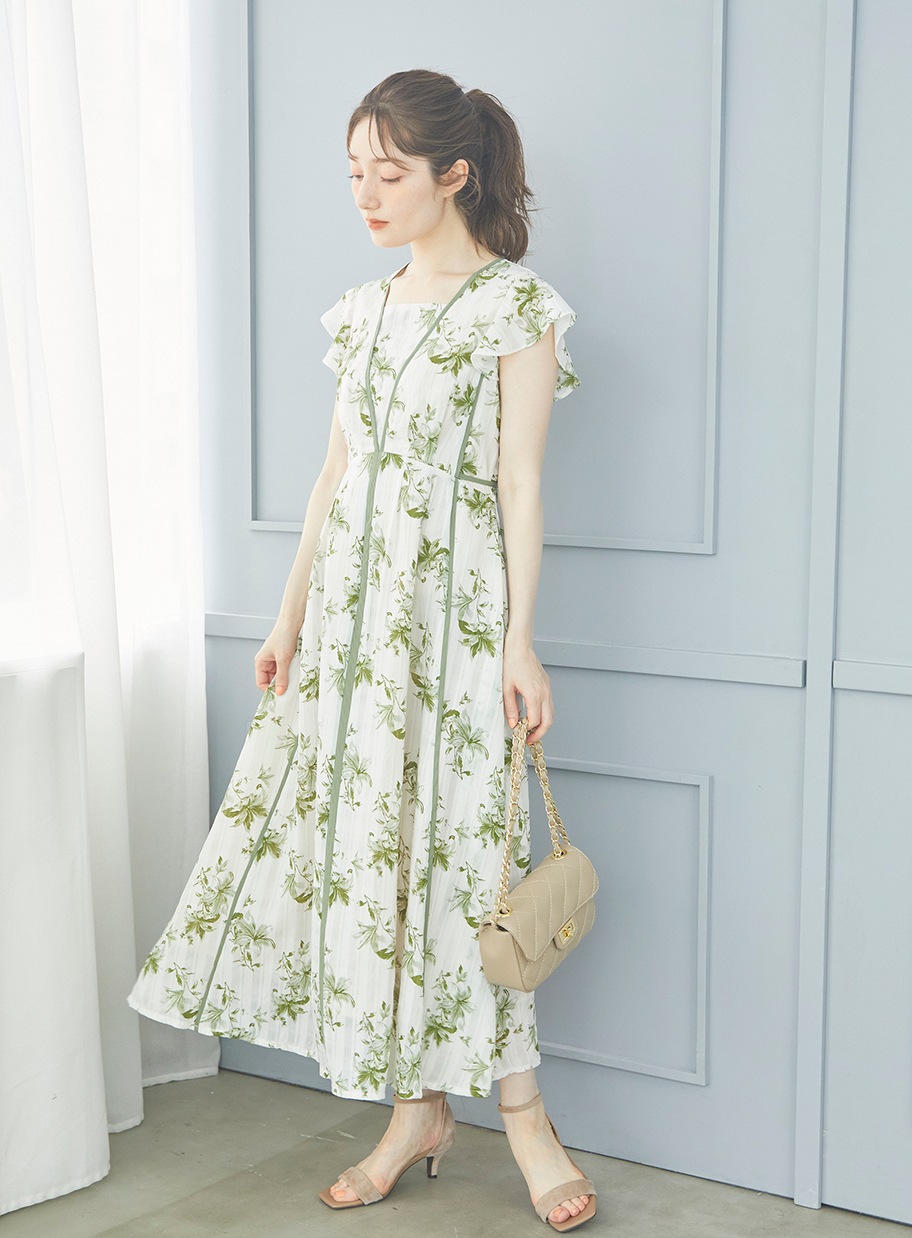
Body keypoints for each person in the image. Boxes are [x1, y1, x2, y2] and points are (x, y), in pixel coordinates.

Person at [127, 68, 595, 1231]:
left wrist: (521, 643)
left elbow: (522, 483)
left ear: (454, 173)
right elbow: (334, 477)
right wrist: (288, 619)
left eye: (388, 173)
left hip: (458, 626)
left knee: (467, 860)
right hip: (349, 630)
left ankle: (523, 1111)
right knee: (372, 864)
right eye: (354, 174)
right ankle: (414, 1111)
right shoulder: (360, 312)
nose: (366, 195)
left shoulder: (514, 309)